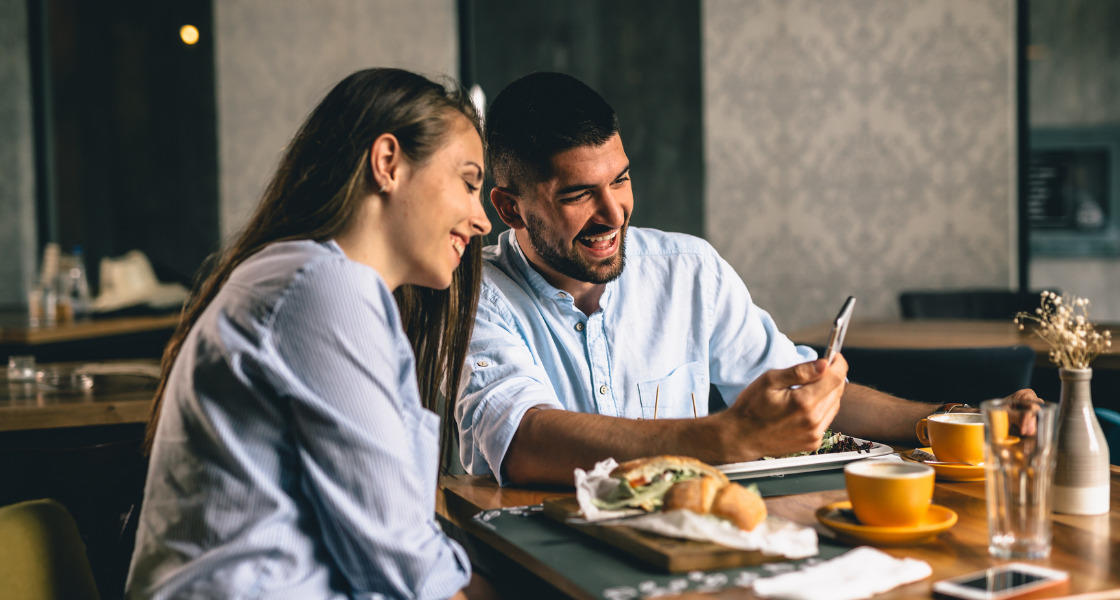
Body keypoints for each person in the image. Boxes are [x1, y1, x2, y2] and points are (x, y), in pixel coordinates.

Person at [456, 72, 1040, 486]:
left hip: (692, 550)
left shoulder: (689, 269)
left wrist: (960, 421)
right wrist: (729, 437)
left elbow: (796, 394)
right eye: (579, 195)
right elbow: (525, 443)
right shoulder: (472, 293)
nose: (614, 214)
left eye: (621, 180)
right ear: (509, 208)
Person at [127, 68, 495, 600]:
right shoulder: (320, 287)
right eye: (467, 182)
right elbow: (399, 564)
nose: (481, 220)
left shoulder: (328, 286)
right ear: (387, 163)